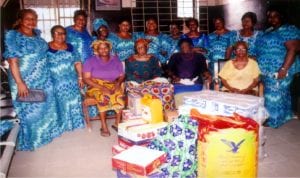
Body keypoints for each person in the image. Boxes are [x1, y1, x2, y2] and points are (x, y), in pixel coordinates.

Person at [3, 9, 62, 151]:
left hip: (43, 78)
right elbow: (12, 62)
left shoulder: (38, 35)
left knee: (45, 107)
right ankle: (33, 139)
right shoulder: (13, 36)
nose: (31, 22)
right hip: (25, 79)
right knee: (29, 109)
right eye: (28, 19)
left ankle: (45, 134)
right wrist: (20, 83)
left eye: (34, 19)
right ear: (21, 20)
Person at [256, 8, 300, 128]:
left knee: (273, 93)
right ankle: (284, 116)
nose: (272, 19)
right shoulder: (269, 30)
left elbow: (293, 49)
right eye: (270, 16)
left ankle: (272, 120)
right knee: (279, 93)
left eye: (275, 16)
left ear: (282, 16)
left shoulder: (289, 29)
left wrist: (283, 69)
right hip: (267, 70)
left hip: (281, 68)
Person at [47, 25, 85, 131]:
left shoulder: (71, 47)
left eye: (63, 33)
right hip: (55, 81)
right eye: (57, 33)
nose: (60, 35)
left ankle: (75, 123)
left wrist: (80, 77)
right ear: (52, 34)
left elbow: (77, 62)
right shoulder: (46, 47)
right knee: (59, 102)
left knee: (73, 100)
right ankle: (63, 125)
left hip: (71, 80)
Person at [83, 40, 125, 137]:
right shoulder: (90, 61)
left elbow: (122, 75)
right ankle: (103, 125)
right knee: (104, 96)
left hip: (112, 84)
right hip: (95, 85)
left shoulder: (116, 60)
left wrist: (118, 83)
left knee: (119, 95)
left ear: (109, 48)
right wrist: (101, 87)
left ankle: (117, 123)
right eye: (100, 48)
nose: (103, 50)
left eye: (105, 47)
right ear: (96, 50)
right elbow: (86, 79)